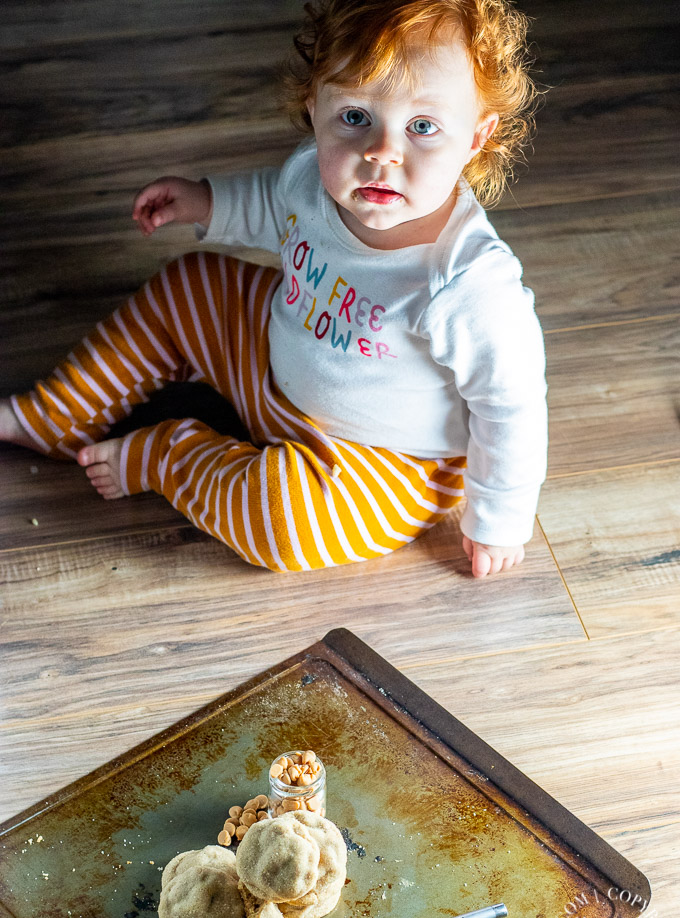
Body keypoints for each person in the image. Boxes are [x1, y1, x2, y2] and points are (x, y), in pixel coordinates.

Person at [0, 0, 547, 578]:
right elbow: (272, 202)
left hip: (383, 463)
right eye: (356, 116)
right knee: (191, 284)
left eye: (423, 127)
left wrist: (500, 519)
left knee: (283, 522)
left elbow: (510, 406)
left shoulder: (467, 282)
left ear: (476, 139)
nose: (382, 151)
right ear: (316, 110)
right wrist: (207, 201)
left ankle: (166, 455)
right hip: (269, 365)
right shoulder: (312, 176)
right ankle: (52, 416)